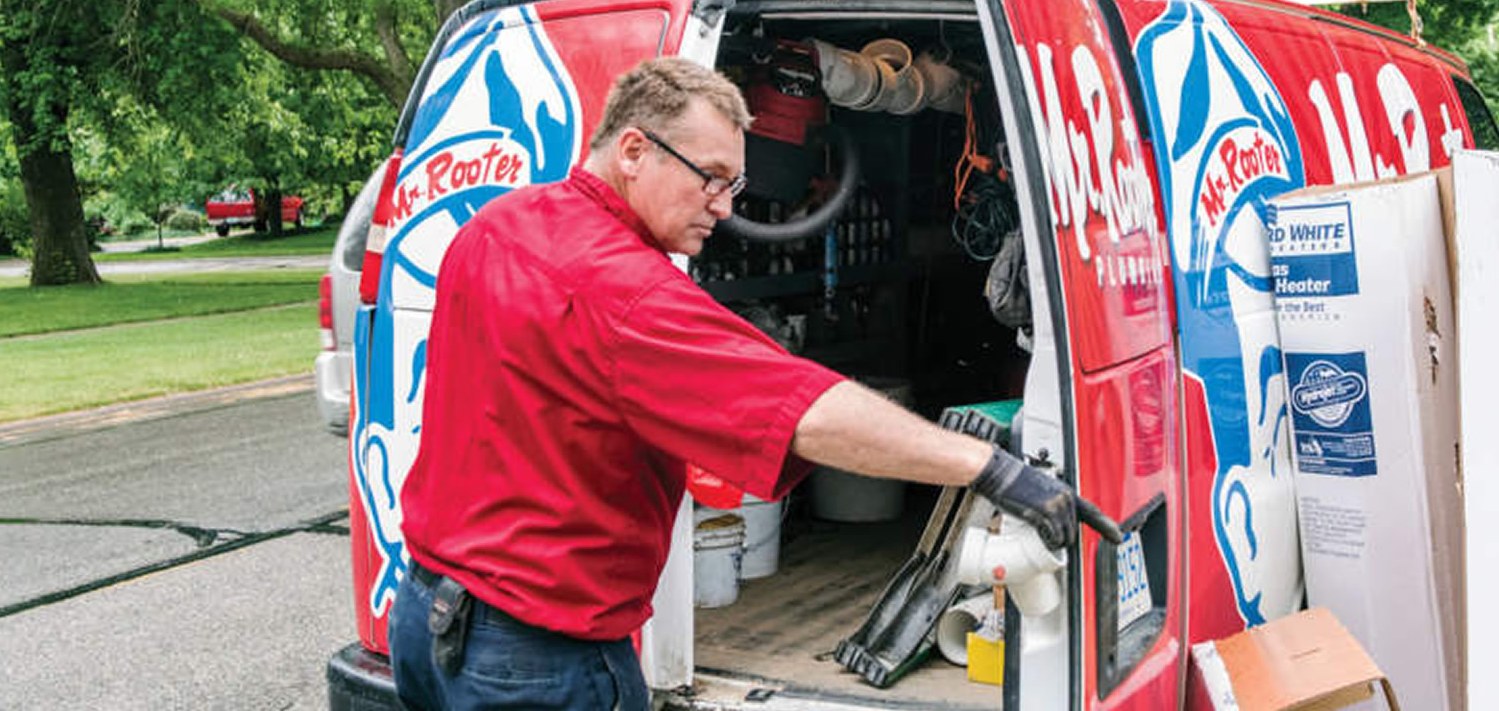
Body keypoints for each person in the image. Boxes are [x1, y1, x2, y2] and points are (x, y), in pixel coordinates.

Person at [388, 56, 1119, 711]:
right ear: (635, 150)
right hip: (533, 658)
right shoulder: (628, 293)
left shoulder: (499, 224)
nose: (726, 206)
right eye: (710, 178)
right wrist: (989, 466)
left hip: (428, 619)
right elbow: (805, 411)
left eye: (733, 182)